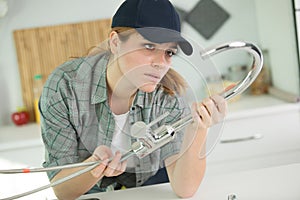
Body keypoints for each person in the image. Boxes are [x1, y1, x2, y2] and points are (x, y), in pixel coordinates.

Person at [40, 0, 227, 199]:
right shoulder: (64, 87)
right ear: (115, 42)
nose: (160, 64)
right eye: (148, 46)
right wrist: (93, 167)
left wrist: (198, 128)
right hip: (92, 193)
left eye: (169, 52)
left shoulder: (170, 95)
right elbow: (62, 191)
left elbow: (185, 189)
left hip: (151, 186)